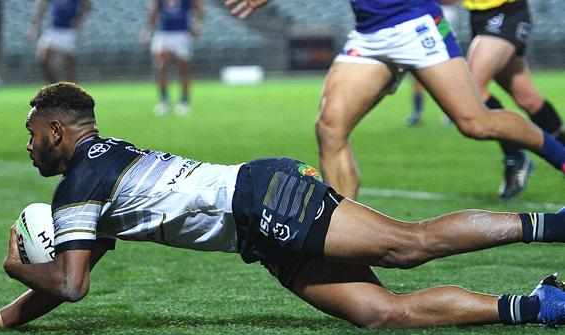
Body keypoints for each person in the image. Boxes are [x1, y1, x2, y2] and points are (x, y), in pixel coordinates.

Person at [0, 82, 565, 331]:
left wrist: (17, 268)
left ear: (58, 132)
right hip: (257, 233)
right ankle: (541, 306)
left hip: (262, 198)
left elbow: (68, 284)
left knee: (409, 245)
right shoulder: (95, 173)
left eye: (32, 132)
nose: (28, 143)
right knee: (381, 315)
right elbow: (72, 271)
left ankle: (556, 224)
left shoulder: (80, 183)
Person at [225, 0, 565, 201]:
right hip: (370, 33)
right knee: (330, 129)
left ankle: (560, 157)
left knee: (475, 122)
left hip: (415, 24)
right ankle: (344, 236)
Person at [465, 0, 565, 199]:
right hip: (478, 14)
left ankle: (514, 157)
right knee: (528, 100)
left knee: (472, 88)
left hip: (507, 10)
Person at [139, 0, 205, 117]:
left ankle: (184, 101)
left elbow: (200, 11)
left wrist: (196, 26)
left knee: (183, 70)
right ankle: (164, 100)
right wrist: (148, 31)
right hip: (164, 33)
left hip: (182, 34)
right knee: (161, 66)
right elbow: (154, 12)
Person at [406, 0, 460, 126]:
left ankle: (452, 112)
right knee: (416, 67)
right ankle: (417, 111)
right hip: (416, 15)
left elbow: (450, 2)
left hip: (441, 14)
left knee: (447, 67)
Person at [29, 0, 91, 83]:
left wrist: (80, 18)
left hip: (68, 31)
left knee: (69, 63)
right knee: (43, 57)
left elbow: (87, 5)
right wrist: (35, 26)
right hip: (53, 30)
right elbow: (41, 6)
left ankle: (70, 89)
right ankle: (54, 85)